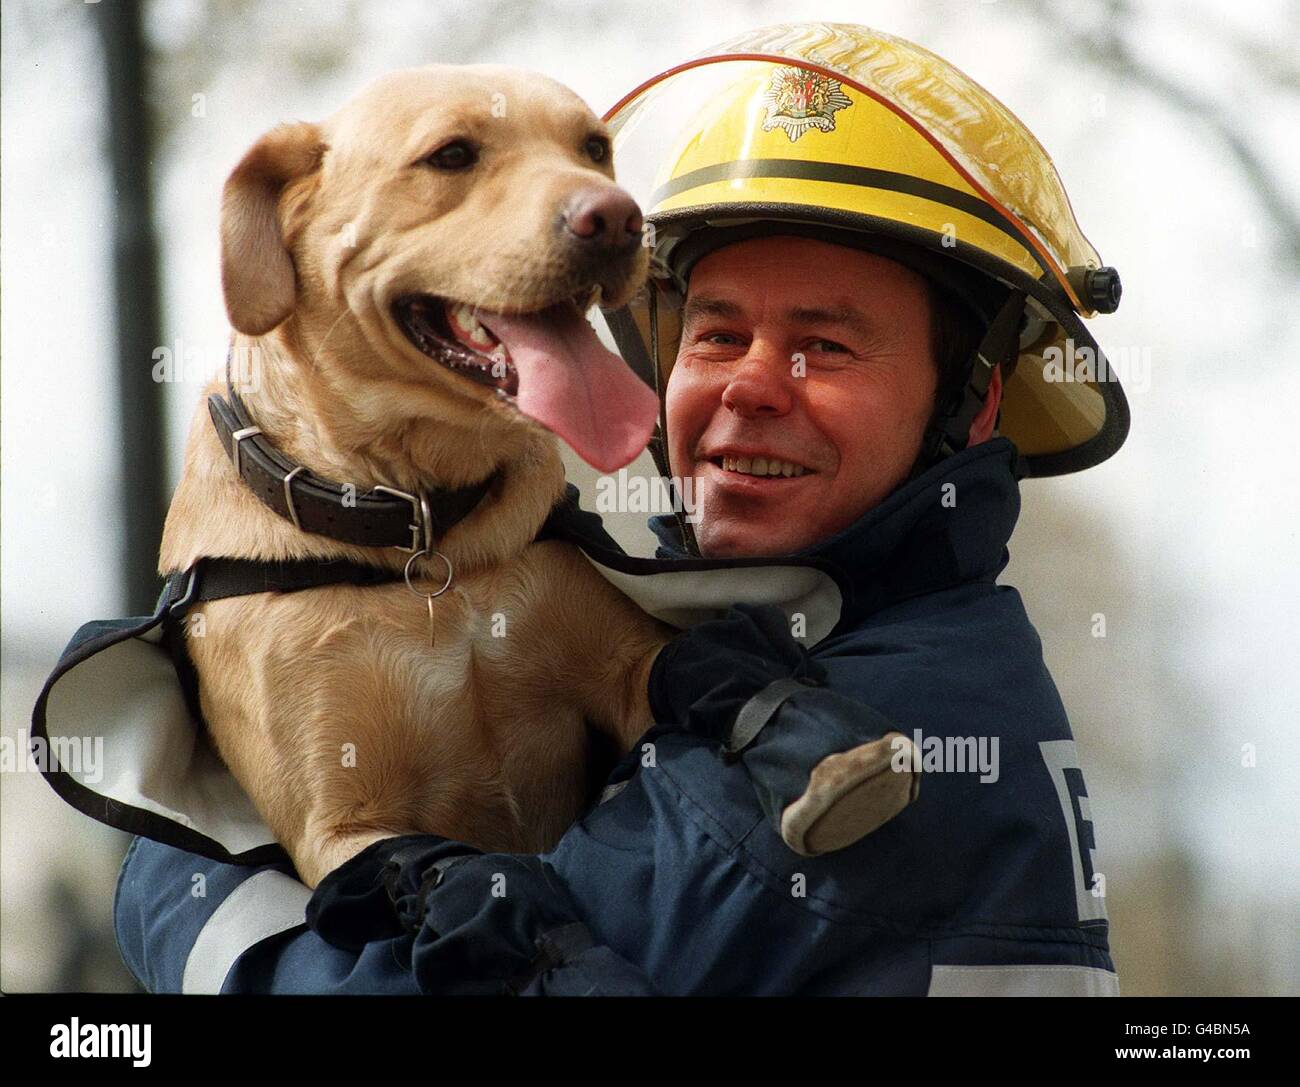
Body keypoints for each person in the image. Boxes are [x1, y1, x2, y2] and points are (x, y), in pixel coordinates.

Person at [104, 22, 1128, 995]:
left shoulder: (890, 732)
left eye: (827, 345)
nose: (752, 386)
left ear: (973, 404)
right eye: (716, 336)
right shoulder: (808, 645)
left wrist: (177, 862)